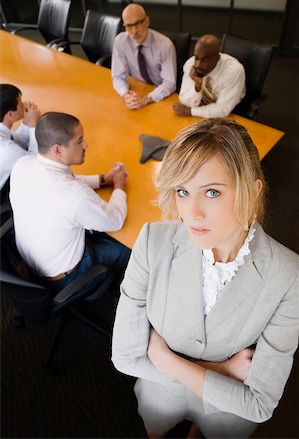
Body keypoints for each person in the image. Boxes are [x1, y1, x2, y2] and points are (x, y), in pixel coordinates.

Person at [112, 118, 299, 438]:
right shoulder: (152, 241)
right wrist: (221, 371)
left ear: (253, 191)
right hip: (162, 395)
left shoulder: (288, 275)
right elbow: (125, 359)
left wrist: (160, 355)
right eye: (183, 191)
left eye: (212, 191)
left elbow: (258, 404)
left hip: (226, 415)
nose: (191, 213)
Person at [10, 112, 130, 293]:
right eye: (79, 140)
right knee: (133, 247)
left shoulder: (23, 164)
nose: (86, 144)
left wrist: (103, 179)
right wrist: (119, 186)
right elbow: (116, 219)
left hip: (32, 266)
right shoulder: (75, 195)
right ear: (58, 150)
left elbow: (68, 180)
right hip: (65, 277)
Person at [112, 3, 177, 110]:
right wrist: (126, 95)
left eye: (138, 23)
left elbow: (169, 83)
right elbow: (118, 76)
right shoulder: (120, 41)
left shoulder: (165, 45)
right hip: (138, 90)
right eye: (129, 26)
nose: (134, 31)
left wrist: (147, 99)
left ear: (147, 21)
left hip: (160, 96)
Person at [173, 34, 245, 118]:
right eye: (196, 58)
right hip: (201, 109)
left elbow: (222, 110)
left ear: (217, 58)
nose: (198, 65)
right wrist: (198, 86)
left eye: (205, 59)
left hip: (232, 111)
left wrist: (190, 111)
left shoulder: (234, 71)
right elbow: (185, 100)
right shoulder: (191, 64)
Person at [0, 84, 40, 193]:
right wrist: (33, 125)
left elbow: (18, 142)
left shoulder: (3, 132)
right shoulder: (6, 150)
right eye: (20, 103)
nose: (23, 105)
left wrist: (27, 124)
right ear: (10, 114)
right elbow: (36, 162)